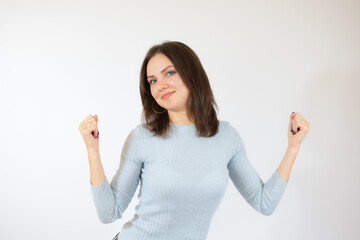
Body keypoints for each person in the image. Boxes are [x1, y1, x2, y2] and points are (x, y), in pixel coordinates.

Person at [78, 41, 310, 240]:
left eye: (170, 73)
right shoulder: (141, 138)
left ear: (191, 73)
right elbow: (109, 212)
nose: (161, 86)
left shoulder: (226, 137)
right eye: (152, 81)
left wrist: (292, 148)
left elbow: (264, 203)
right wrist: (93, 150)